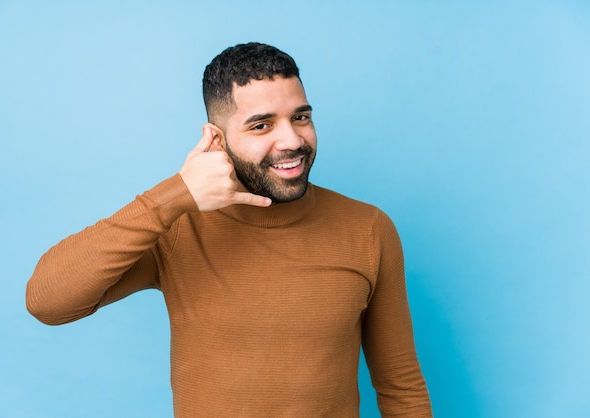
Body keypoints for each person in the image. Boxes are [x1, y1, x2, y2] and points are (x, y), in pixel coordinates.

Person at [26, 42, 432, 417]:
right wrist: (173, 196)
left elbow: (401, 385)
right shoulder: (178, 226)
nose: (292, 140)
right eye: (261, 125)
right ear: (217, 140)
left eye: (301, 117)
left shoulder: (368, 229)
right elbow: (49, 302)